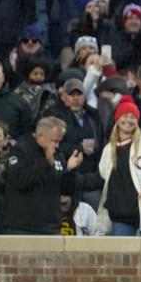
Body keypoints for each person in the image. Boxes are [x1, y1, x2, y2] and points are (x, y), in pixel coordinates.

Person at [96, 96, 141, 236]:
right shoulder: (108, 149)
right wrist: (71, 172)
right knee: (122, 258)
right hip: (121, 218)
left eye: (132, 117)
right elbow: (100, 178)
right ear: (117, 119)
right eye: (124, 115)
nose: (128, 120)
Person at [3, 117, 84, 234]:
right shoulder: (20, 151)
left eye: (59, 141)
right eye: (54, 141)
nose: (57, 146)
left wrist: (70, 170)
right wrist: (45, 163)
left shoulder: (58, 156)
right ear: (40, 136)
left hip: (51, 227)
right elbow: (20, 181)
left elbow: (65, 191)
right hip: (21, 228)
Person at [42, 78, 103, 209]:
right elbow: (47, 146)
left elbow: (102, 143)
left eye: (79, 94)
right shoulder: (52, 115)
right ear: (63, 97)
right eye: (71, 94)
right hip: (65, 179)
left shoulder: (94, 115)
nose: (76, 98)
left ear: (84, 96)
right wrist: (78, 148)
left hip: (91, 179)